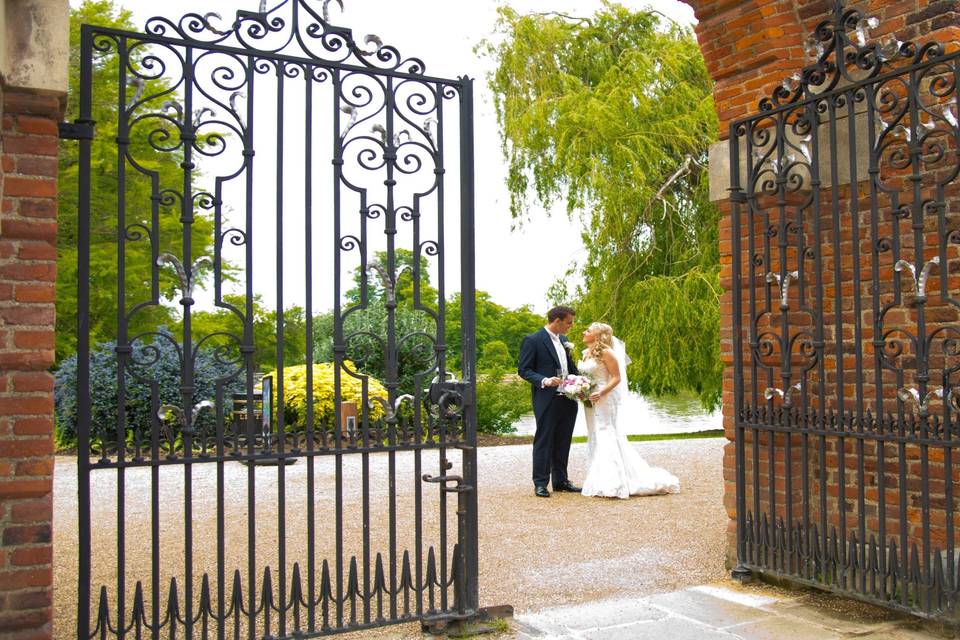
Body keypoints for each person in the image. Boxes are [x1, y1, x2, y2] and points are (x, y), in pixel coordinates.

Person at [578, 322, 680, 498]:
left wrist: (601, 392)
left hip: (605, 397)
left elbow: (616, 377)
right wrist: (580, 390)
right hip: (590, 398)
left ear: (597, 335)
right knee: (595, 433)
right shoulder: (586, 353)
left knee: (606, 432)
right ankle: (600, 479)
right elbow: (586, 377)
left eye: (588, 330)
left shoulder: (607, 352)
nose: (584, 332)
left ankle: (614, 483)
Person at [517, 306, 580, 498]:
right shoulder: (533, 340)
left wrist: (581, 384)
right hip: (547, 398)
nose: (571, 326)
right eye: (569, 322)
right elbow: (524, 370)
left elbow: (571, 369)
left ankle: (561, 481)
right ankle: (541, 483)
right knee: (544, 441)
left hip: (568, 398)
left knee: (563, 440)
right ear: (557, 320)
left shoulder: (565, 341)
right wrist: (544, 380)